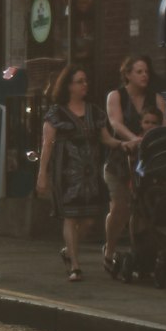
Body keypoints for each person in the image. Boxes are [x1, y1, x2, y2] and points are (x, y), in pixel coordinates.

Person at [37, 63, 123, 281]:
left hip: (90, 173)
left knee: (89, 220)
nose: (85, 85)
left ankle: (69, 250)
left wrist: (123, 144)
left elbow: (105, 138)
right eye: (79, 81)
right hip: (65, 173)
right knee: (69, 217)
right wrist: (42, 174)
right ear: (68, 86)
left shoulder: (94, 111)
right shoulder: (56, 113)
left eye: (86, 81)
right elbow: (47, 144)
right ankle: (75, 265)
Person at [103, 55, 166, 276]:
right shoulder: (116, 96)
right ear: (128, 74)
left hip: (149, 163)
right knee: (120, 206)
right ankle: (110, 250)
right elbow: (115, 122)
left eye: (147, 72)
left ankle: (142, 254)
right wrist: (134, 140)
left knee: (145, 209)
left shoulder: (156, 98)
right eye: (139, 72)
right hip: (121, 161)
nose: (144, 76)